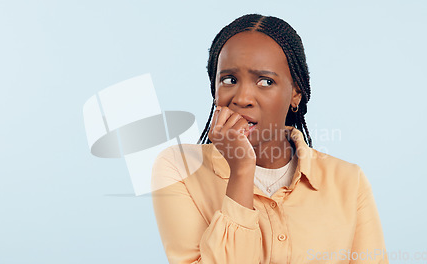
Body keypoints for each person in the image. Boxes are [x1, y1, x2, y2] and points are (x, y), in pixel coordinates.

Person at [151, 14, 388, 264]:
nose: (242, 98)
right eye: (229, 80)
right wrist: (241, 170)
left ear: (295, 93)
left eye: (265, 81)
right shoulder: (179, 168)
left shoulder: (349, 182)